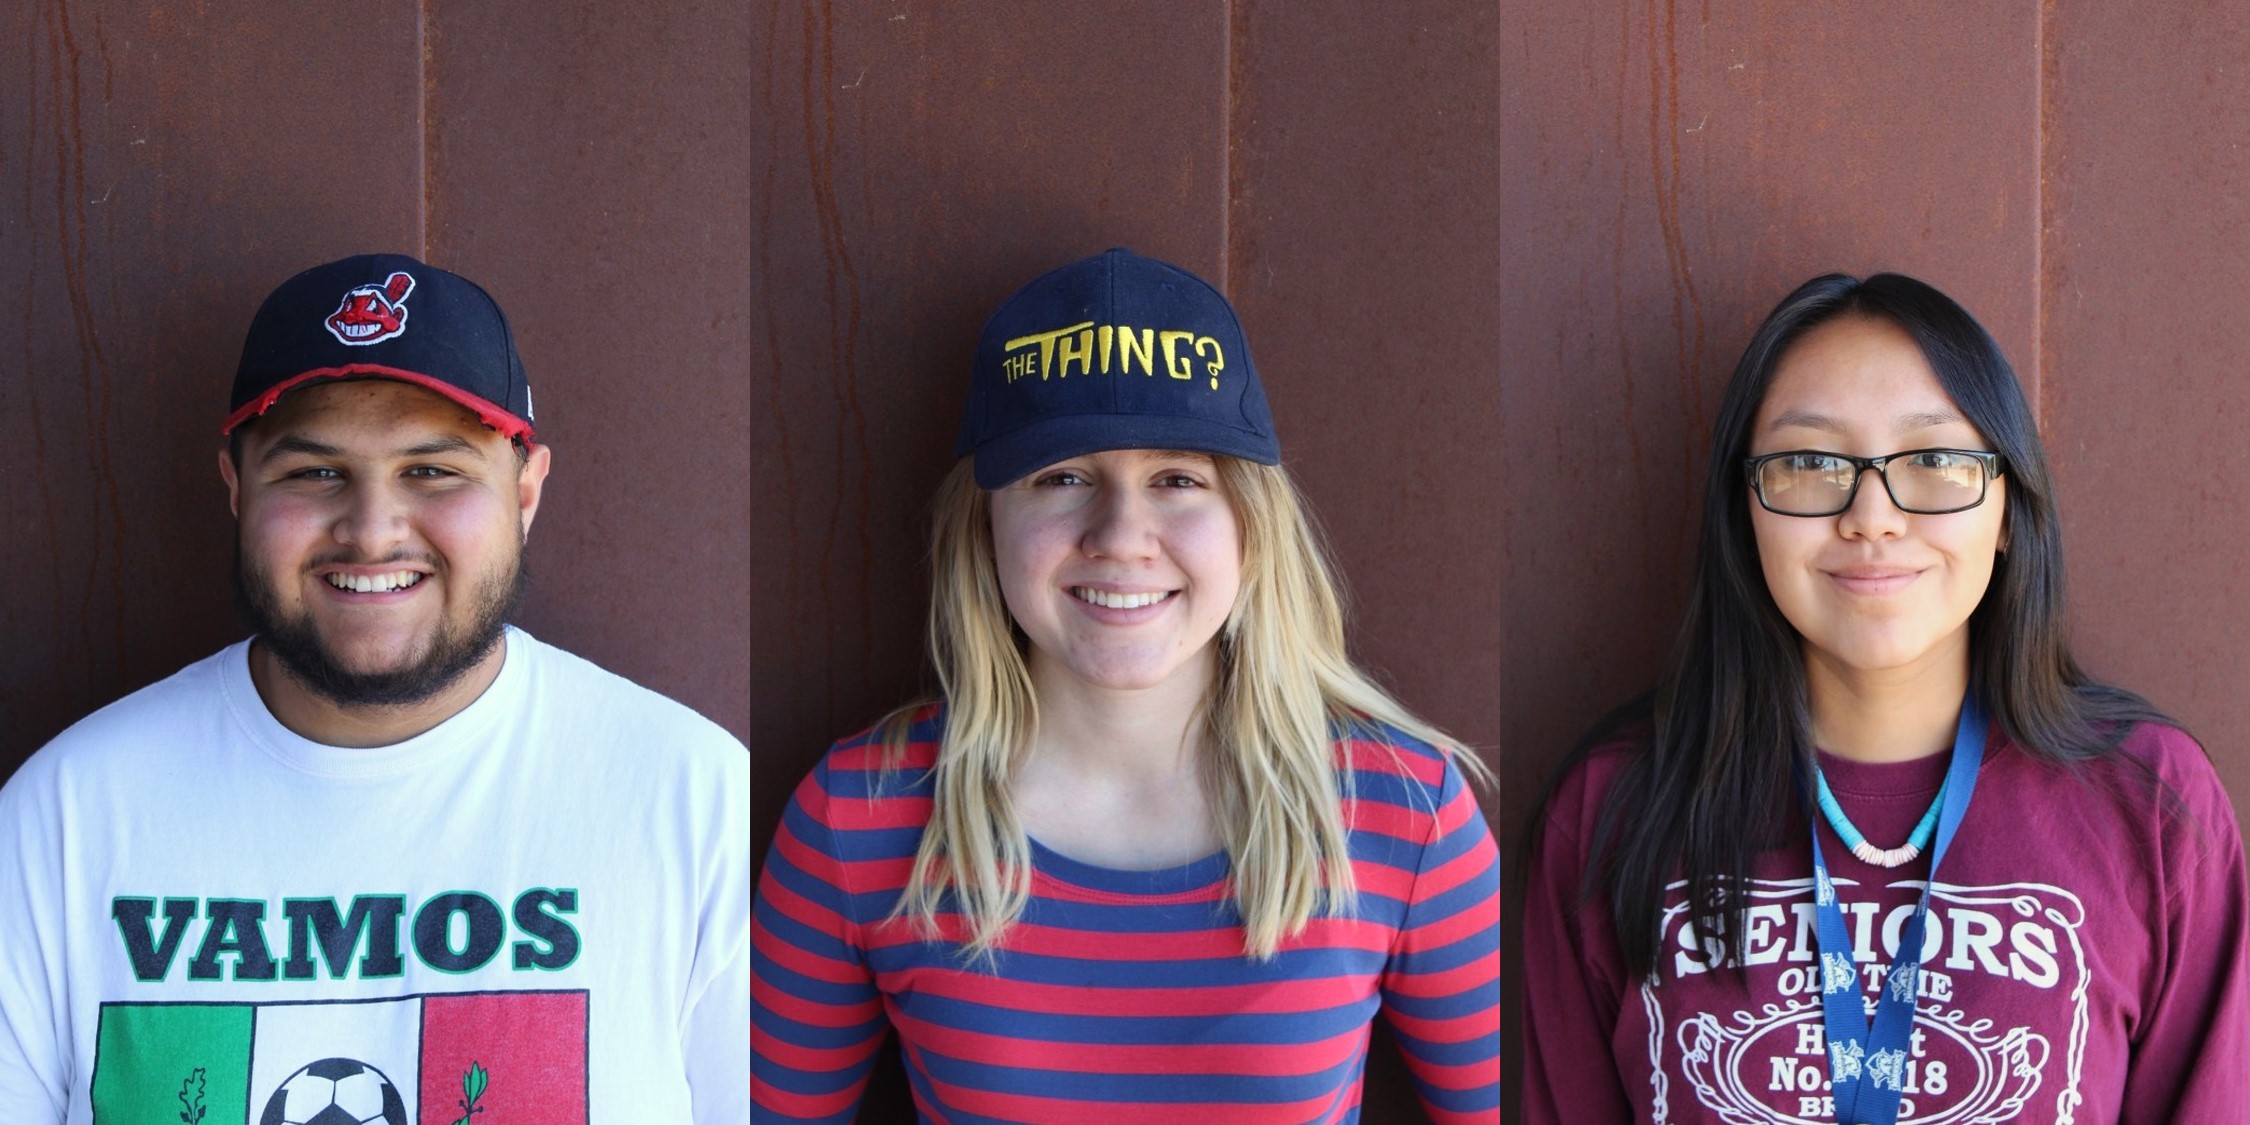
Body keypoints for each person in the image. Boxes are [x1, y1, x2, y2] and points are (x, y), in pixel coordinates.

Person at [750, 248, 1500, 1123]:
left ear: (1251, 526)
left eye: (1178, 479)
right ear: (985, 525)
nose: (1120, 533)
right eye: (1062, 476)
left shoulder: (1405, 816)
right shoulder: (861, 817)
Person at [0, 255, 748, 1123]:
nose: (372, 530)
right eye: (314, 472)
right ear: (236, 489)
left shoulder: (692, 801)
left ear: (526, 490)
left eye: (433, 470)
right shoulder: (61, 820)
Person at [1523, 272, 2250, 1123]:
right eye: (1808, 462)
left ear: (2010, 507)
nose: (1871, 514)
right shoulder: (1612, 811)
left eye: (1935, 461)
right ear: (1744, 508)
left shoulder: (2152, 804)